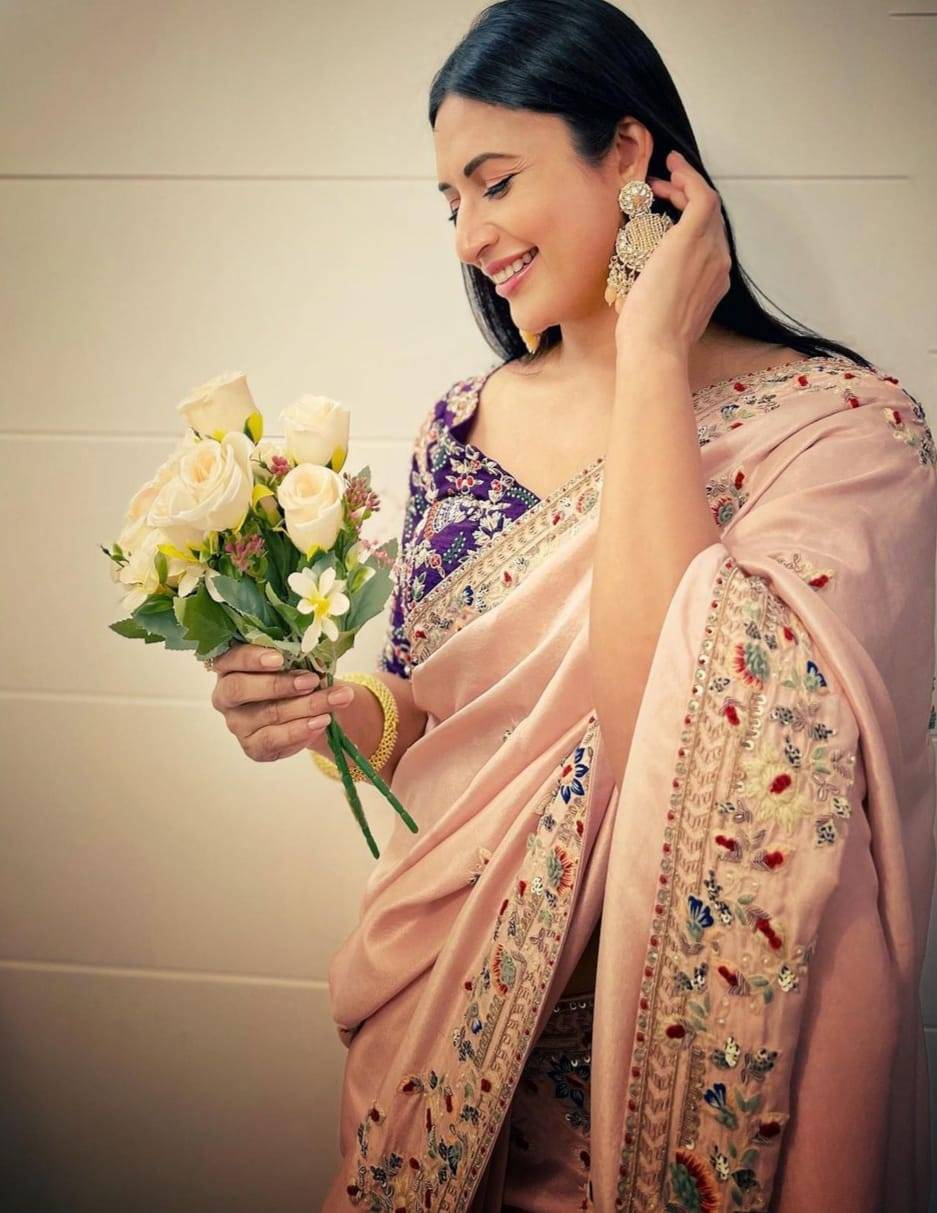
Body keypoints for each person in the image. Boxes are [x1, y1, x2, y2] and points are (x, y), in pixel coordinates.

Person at [211, 2, 937, 1208]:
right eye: (450, 203)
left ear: (631, 153)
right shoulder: (459, 431)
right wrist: (328, 714)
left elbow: (687, 732)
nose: (470, 236)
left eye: (496, 183)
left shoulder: (842, 438)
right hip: (452, 1039)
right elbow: (426, 709)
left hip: (711, 1069)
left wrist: (650, 359)